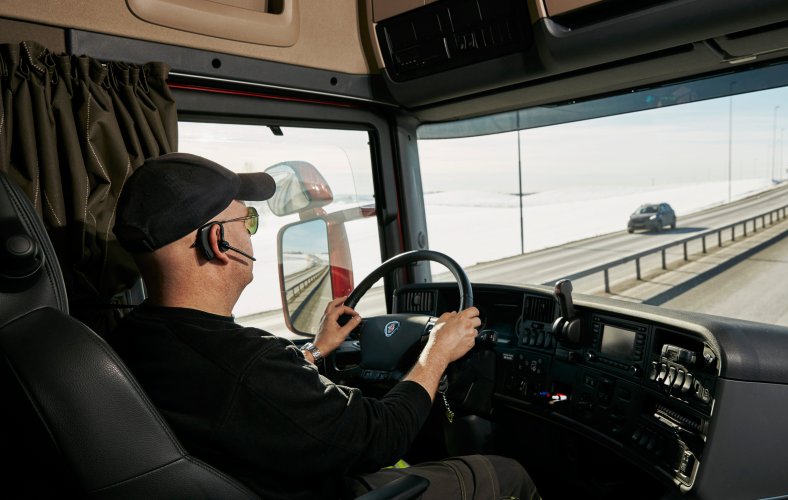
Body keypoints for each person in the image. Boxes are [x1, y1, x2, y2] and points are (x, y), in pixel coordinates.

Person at [111, 153, 540, 500]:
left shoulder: (131, 337)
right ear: (217, 242)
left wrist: (314, 352)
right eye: (249, 222)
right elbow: (382, 435)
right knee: (508, 473)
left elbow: (243, 397)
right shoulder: (246, 363)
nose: (252, 237)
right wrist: (435, 354)